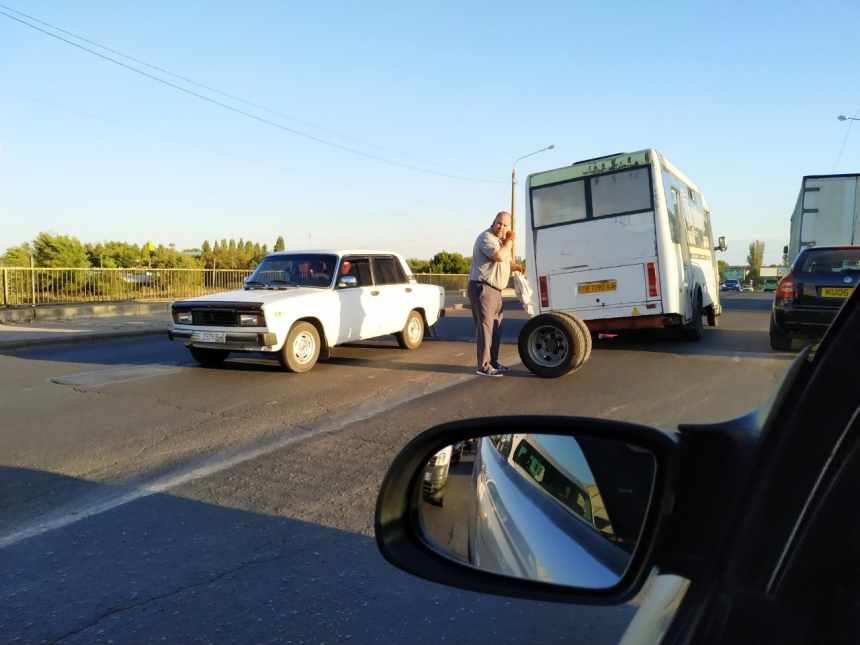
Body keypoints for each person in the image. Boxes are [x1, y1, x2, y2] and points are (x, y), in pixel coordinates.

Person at [468, 211, 526, 377]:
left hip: (495, 290)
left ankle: (492, 362)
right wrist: (509, 240)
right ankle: (484, 366)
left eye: (505, 225)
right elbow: (499, 256)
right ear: (494, 222)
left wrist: (518, 268)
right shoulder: (486, 238)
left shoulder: (500, 242)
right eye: (499, 223)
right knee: (486, 328)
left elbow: (506, 261)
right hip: (482, 287)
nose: (501, 227)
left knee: (495, 328)